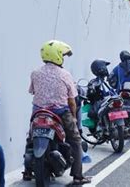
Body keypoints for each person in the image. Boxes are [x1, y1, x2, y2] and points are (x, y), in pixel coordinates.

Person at [26, 40, 91, 184]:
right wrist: (73, 117)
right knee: (75, 140)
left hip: (39, 112)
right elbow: (72, 101)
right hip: (60, 112)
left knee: (30, 137)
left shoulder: (35, 73)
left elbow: (33, 91)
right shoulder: (65, 74)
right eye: (62, 54)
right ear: (57, 56)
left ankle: (27, 171)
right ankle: (78, 176)